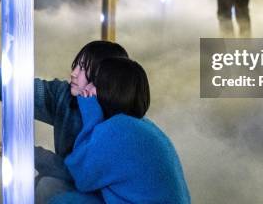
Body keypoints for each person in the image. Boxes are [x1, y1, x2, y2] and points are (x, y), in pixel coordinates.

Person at [0, 40, 129, 202]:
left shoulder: (115, 126)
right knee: (38, 184)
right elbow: (21, 91)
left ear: (105, 77)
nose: (74, 73)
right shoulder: (65, 97)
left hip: (101, 197)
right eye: (75, 65)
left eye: (83, 69)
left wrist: (25, 153)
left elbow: (78, 175)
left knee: (47, 186)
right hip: (70, 186)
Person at [51, 57, 191, 204]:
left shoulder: (117, 130)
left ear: (111, 89)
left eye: (95, 83)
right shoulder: (141, 125)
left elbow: (79, 176)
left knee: (57, 195)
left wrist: (90, 115)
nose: (87, 88)